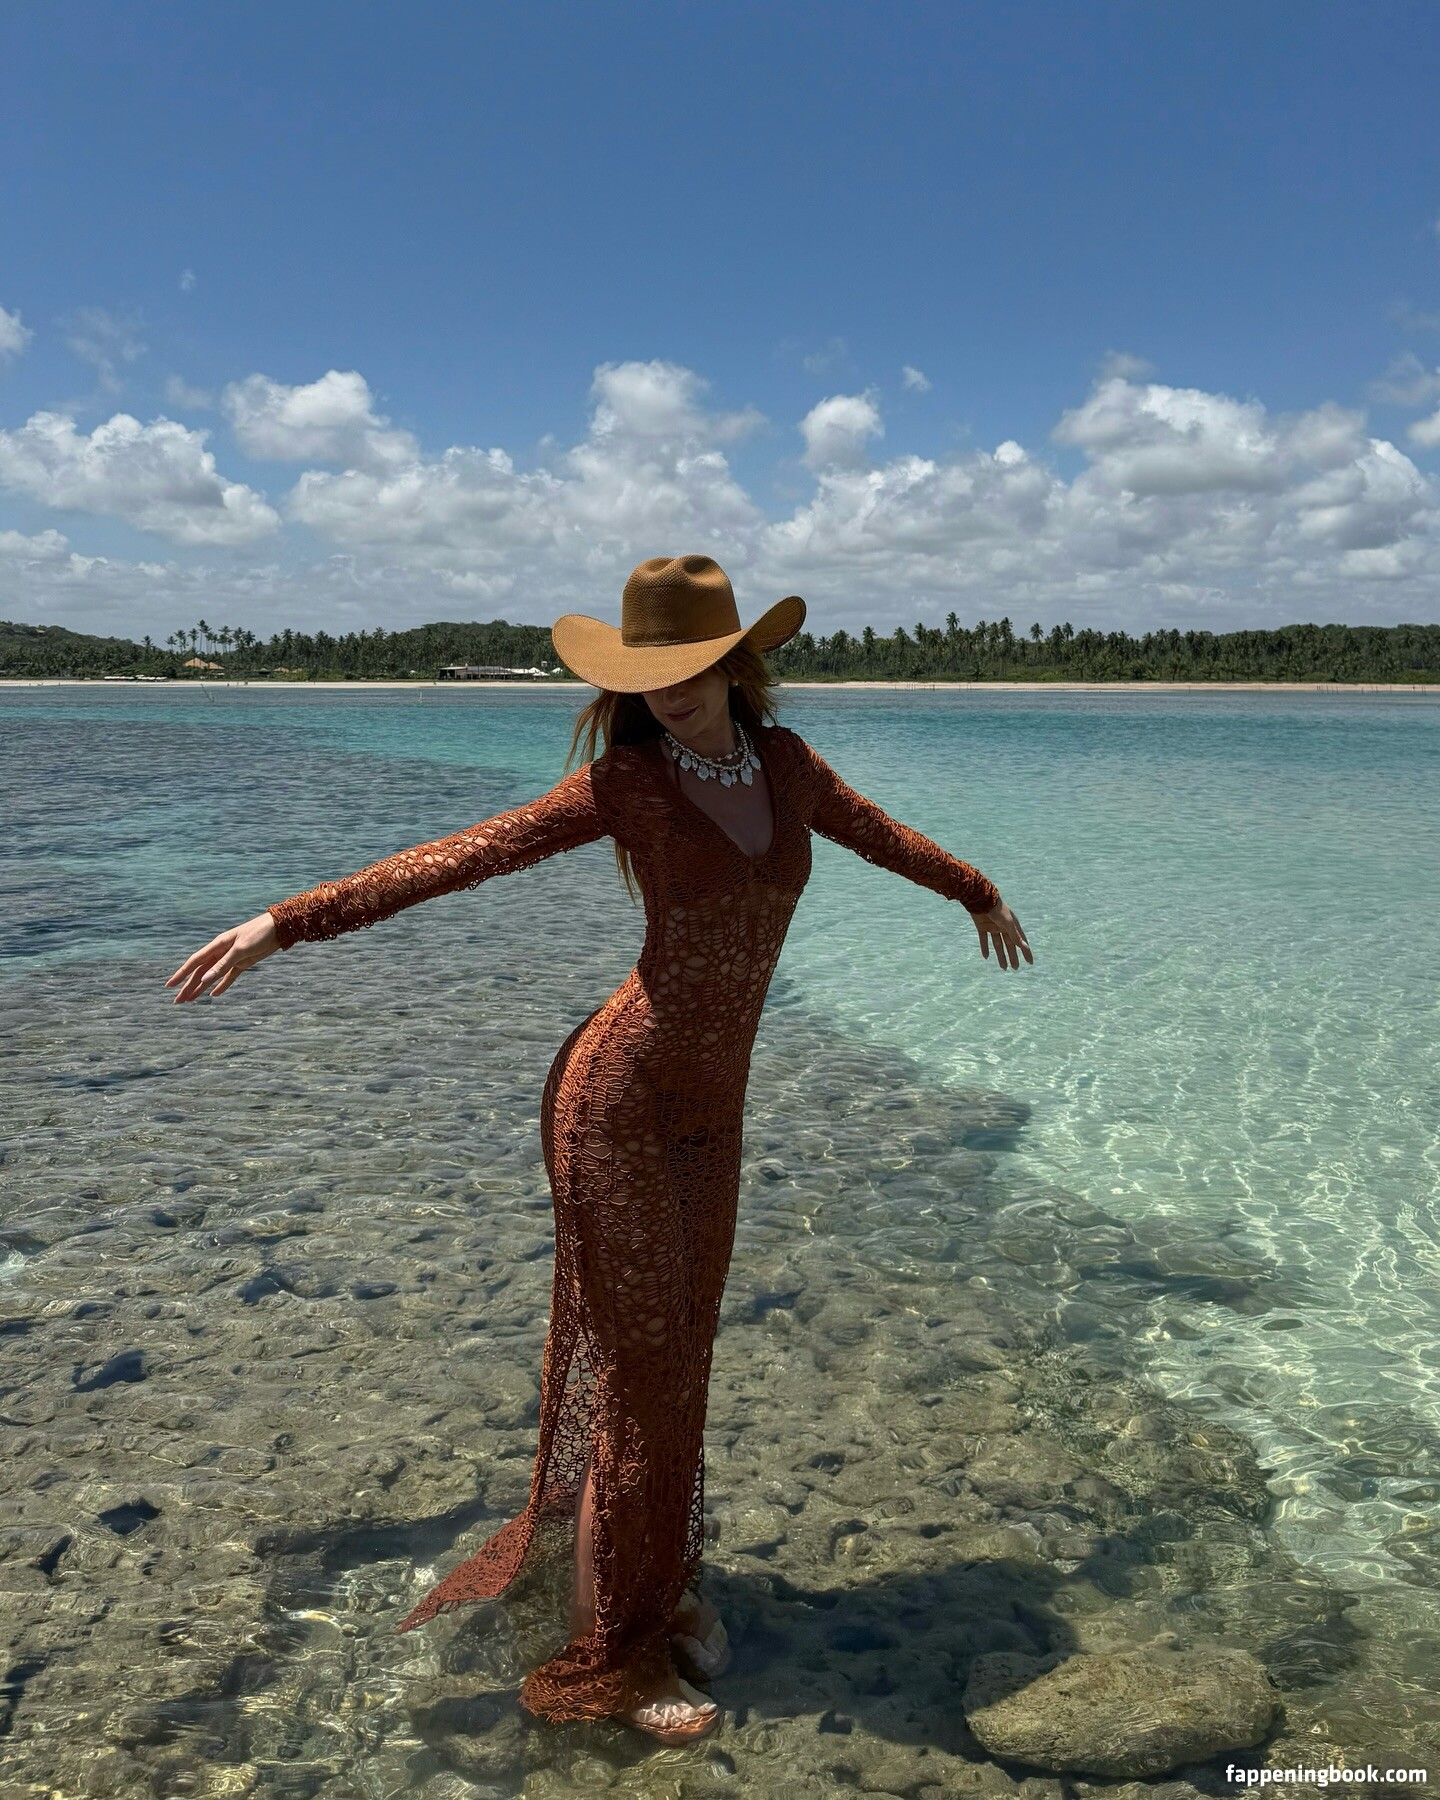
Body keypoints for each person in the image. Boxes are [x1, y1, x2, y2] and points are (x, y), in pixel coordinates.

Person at [166, 553, 1033, 1746]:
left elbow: (882, 835)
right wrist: (289, 921)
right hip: (615, 1105)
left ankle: (660, 1586)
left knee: (685, 1365)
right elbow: (469, 854)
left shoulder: (785, 765)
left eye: (689, 665)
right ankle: (612, 1656)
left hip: (711, 1115)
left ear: (735, 662)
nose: (667, 690)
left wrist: (975, 890)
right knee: (640, 1378)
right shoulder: (629, 783)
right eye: (646, 672)